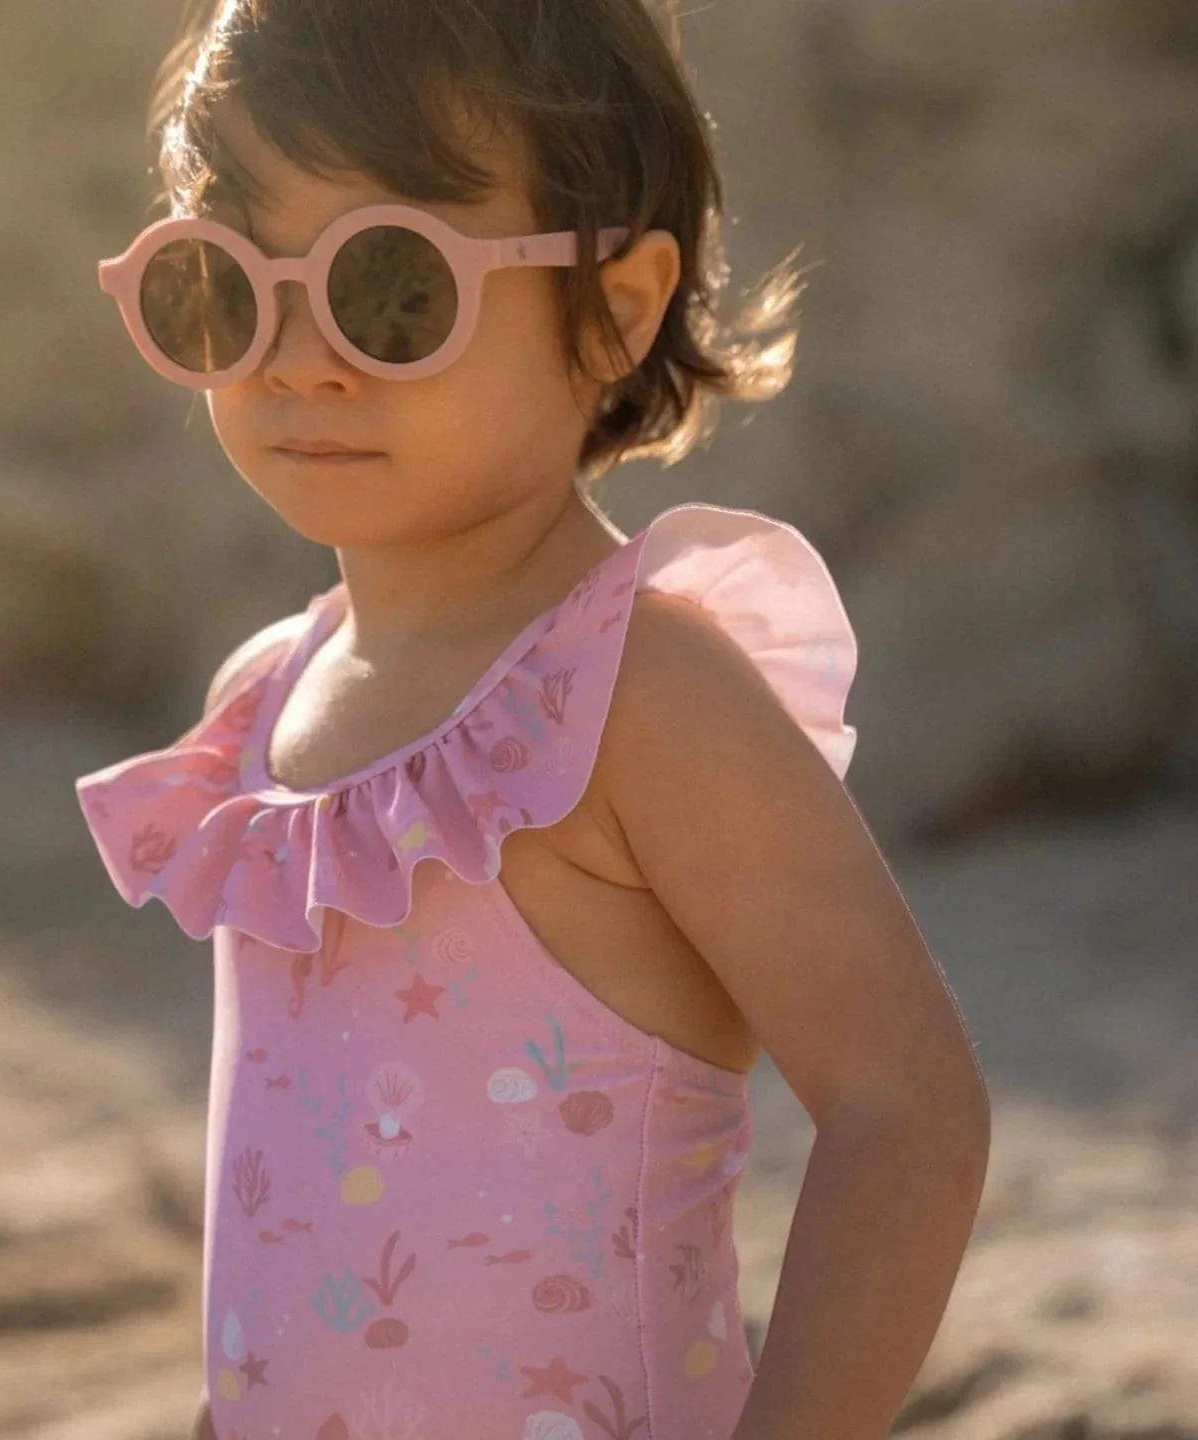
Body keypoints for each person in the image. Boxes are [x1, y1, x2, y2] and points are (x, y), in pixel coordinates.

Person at [75, 1, 991, 1437]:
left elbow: (906, 1109)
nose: (298, 358)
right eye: (224, 285)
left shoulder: (636, 697)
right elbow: (293, 1193)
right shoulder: (263, 695)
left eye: (390, 287)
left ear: (615, 310)